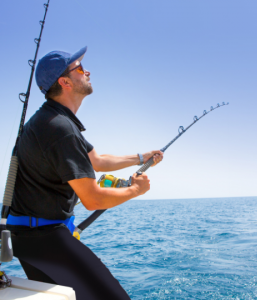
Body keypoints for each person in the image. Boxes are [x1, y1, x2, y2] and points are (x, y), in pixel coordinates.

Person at [7, 46, 163, 300]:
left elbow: (98, 161)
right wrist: (136, 189)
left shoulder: (54, 121)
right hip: (44, 238)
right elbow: (93, 200)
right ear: (65, 81)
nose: (87, 70)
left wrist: (140, 157)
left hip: (27, 236)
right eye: (79, 67)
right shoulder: (60, 129)